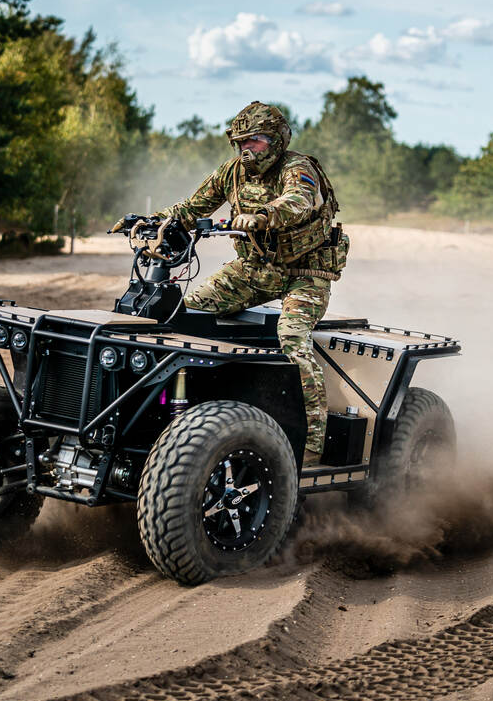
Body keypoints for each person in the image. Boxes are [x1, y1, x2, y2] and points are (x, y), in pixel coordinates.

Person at [114, 101, 348, 464]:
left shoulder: (298, 168)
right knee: (184, 313)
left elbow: (299, 202)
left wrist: (263, 216)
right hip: (254, 270)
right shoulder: (232, 172)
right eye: (240, 143)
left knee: (291, 340)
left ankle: (312, 444)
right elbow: (191, 209)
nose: (246, 150)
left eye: (254, 141)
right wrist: (148, 221)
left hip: (305, 276)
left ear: (275, 140)